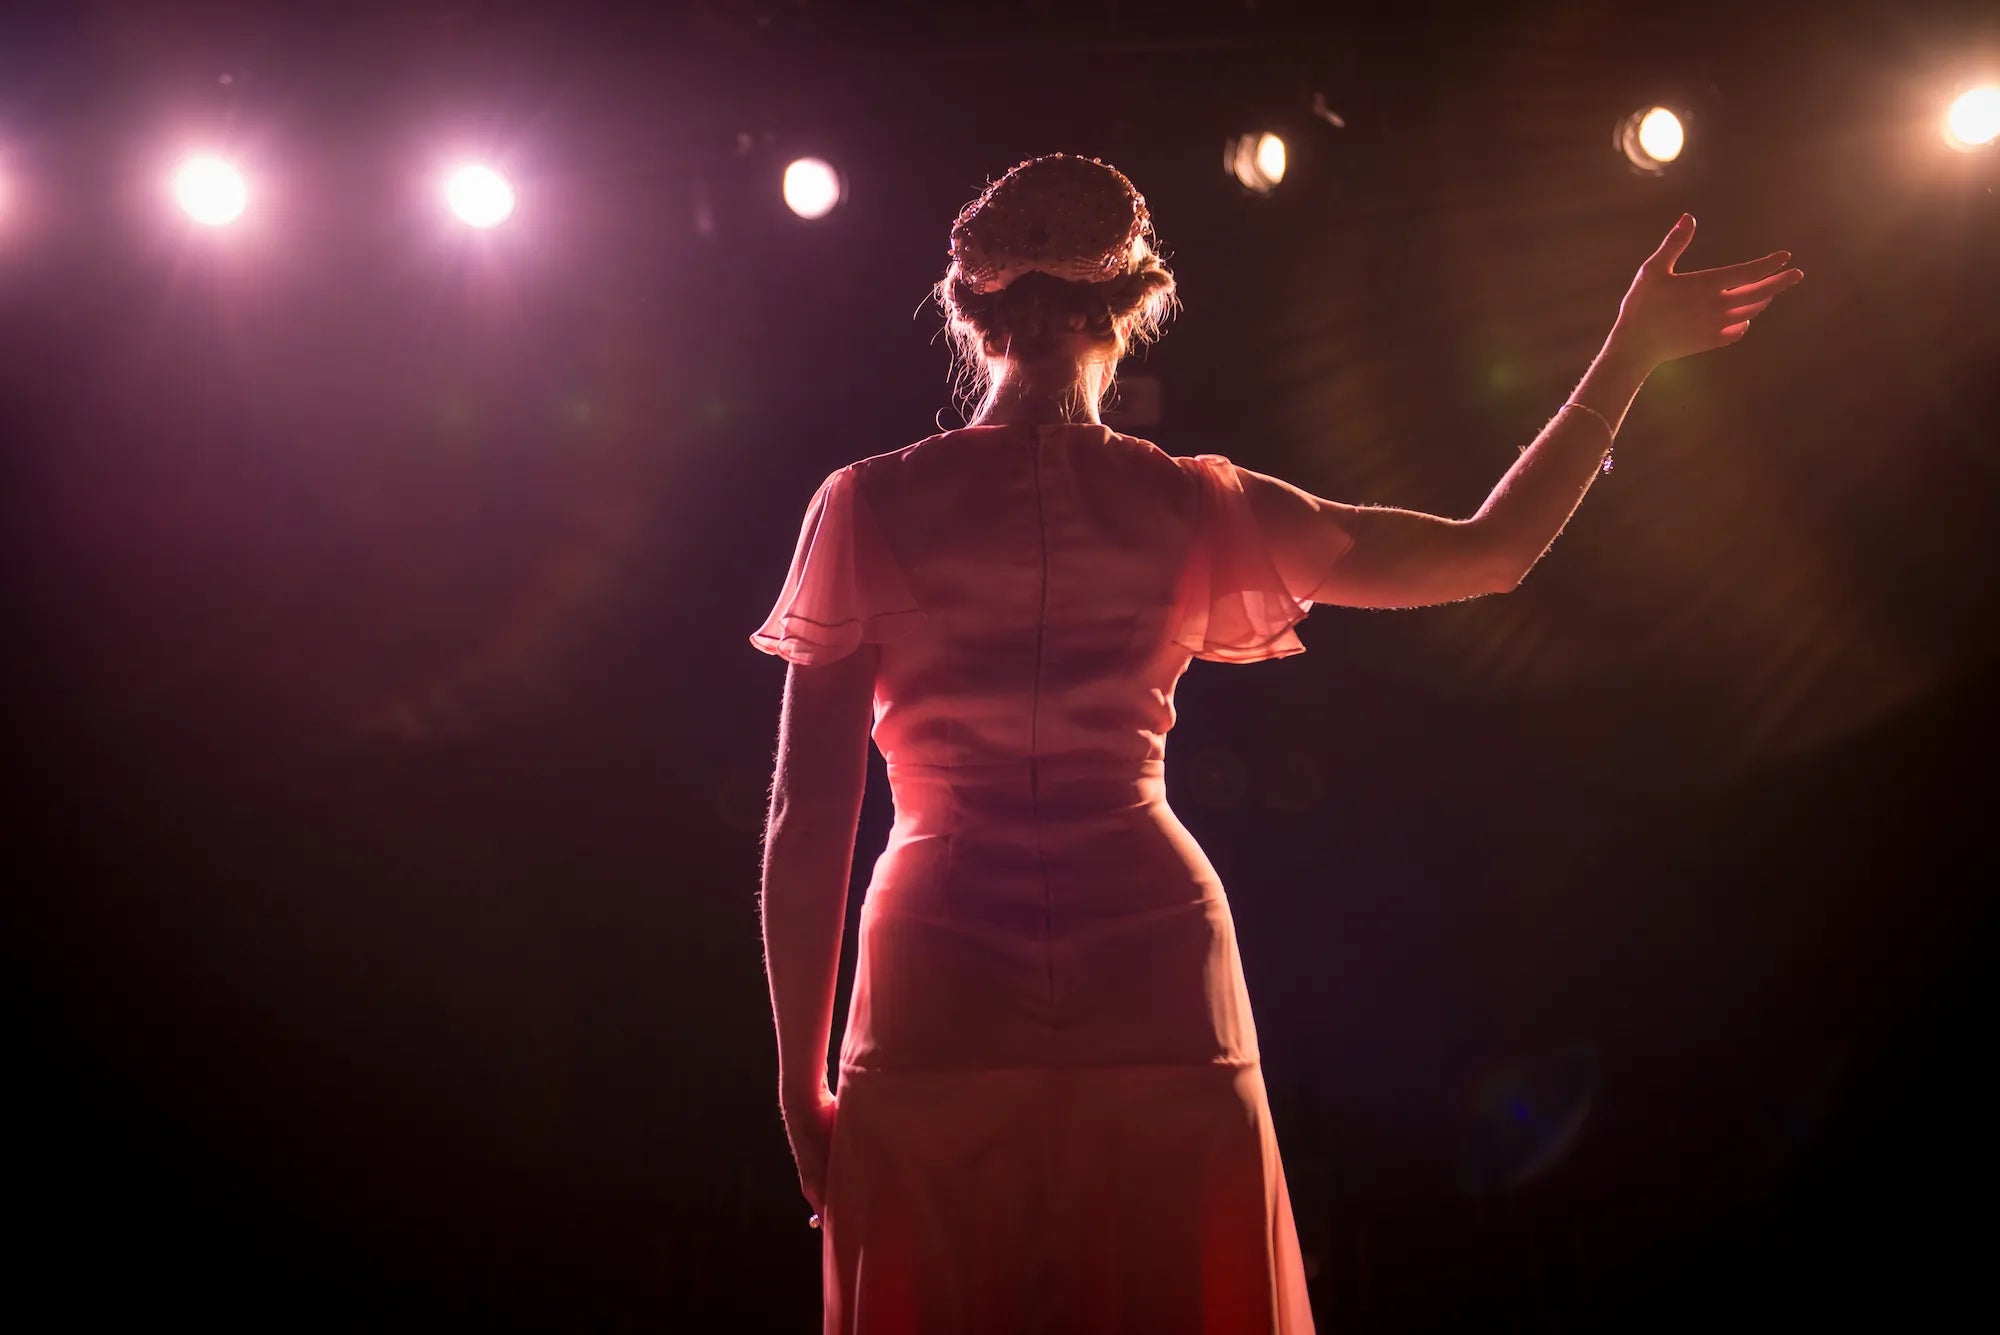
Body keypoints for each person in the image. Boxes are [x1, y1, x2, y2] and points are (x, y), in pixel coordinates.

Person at [750, 153, 1802, 1333]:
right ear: (1136, 307)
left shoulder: (865, 503)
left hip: (935, 968)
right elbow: (1488, 552)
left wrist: (799, 1092)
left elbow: (807, 821)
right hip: (1151, 958)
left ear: (969, 308)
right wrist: (1628, 357)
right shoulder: (1195, 503)